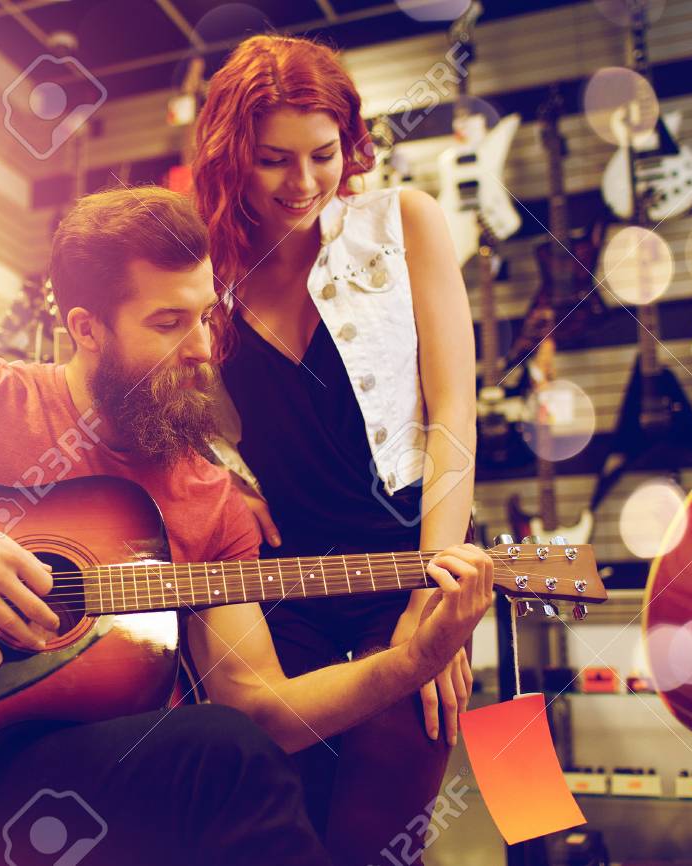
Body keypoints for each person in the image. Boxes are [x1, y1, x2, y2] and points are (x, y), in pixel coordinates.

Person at [0, 186, 492, 864]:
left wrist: (410, 661)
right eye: (167, 323)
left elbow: (259, 710)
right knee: (216, 756)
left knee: (223, 746)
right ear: (87, 329)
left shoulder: (208, 494)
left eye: (206, 318)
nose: (202, 349)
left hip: (88, 798)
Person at [191, 34, 480, 865]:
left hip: (407, 564)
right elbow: (170, 414)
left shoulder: (404, 222)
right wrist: (223, 478)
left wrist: (438, 589)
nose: (303, 183)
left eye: (323, 155)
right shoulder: (201, 268)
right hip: (274, 585)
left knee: (382, 833)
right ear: (230, 156)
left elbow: (453, 408)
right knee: (279, 829)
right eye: (272, 160)